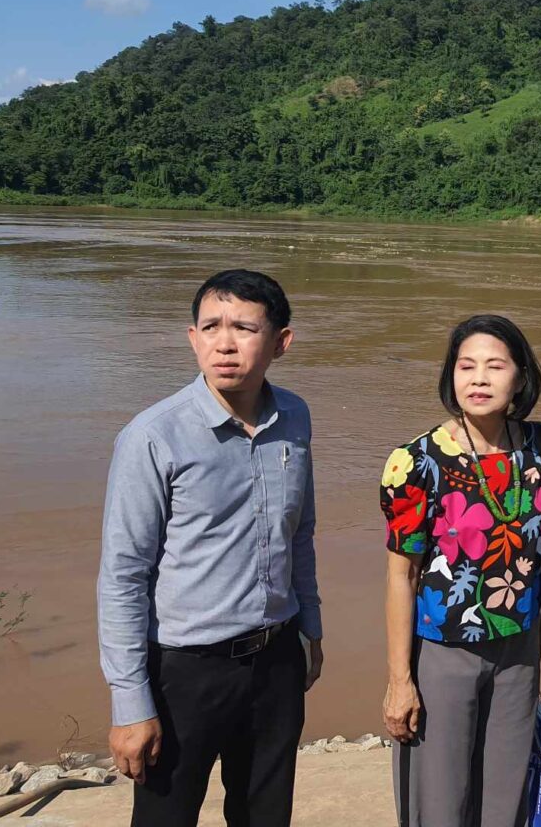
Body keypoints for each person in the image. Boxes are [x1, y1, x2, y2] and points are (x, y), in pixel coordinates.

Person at [98, 269, 322, 827]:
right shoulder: (154, 436)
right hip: (184, 672)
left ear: (280, 342)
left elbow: (300, 533)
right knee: (165, 818)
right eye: (211, 327)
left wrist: (310, 629)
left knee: (265, 815)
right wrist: (131, 702)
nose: (225, 343)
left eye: (245, 328)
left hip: (276, 660)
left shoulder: (295, 418)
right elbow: (125, 575)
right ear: (191, 338)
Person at [379, 314, 541, 827]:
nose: (478, 379)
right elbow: (400, 576)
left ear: (520, 378)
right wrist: (400, 681)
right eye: (466, 366)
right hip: (444, 653)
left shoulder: (540, 446)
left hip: (519, 651)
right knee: (442, 800)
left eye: (494, 366)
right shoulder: (415, 461)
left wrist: (539, 640)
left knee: (505, 799)